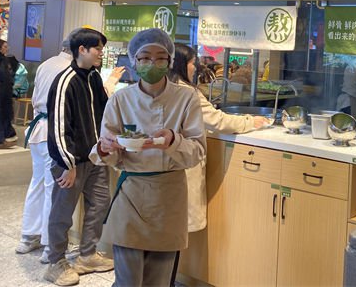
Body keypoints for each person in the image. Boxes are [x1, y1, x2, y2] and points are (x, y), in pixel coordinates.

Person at [92, 29, 206, 287]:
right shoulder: (120, 99)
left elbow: (198, 151)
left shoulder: (186, 97)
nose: (152, 64)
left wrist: (173, 141)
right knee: (127, 280)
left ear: (170, 61)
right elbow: (105, 149)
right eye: (144, 58)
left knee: (159, 280)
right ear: (134, 60)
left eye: (160, 58)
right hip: (131, 192)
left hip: (170, 197)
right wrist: (106, 148)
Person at [166, 43, 269, 284]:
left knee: (161, 234)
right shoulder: (187, 92)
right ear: (181, 64)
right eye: (192, 63)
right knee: (171, 238)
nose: (195, 68)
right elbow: (218, 121)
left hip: (160, 172)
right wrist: (250, 122)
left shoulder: (161, 88)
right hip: (179, 170)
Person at [44, 28, 114, 286]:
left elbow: (103, 113)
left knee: (100, 203)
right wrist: (67, 163)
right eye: (98, 49)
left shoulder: (93, 77)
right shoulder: (65, 81)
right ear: (81, 50)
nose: (101, 53)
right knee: (62, 213)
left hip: (95, 157)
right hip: (71, 163)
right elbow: (58, 127)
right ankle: (55, 262)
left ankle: (87, 255)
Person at [16, 37, 72, 262]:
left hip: (38, 129)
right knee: (53, 187)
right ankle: (50, 244)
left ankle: (29, 236)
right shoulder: (71, 69)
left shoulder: (47, 63)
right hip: (54, 131)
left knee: (38, 182)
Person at [0, 39, 19, 144]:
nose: (7, 49)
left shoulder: (6, 60)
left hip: (7, 90)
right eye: (5, 47)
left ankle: (7, 133)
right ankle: (6, 134)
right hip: (1, 91)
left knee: (6, 113)